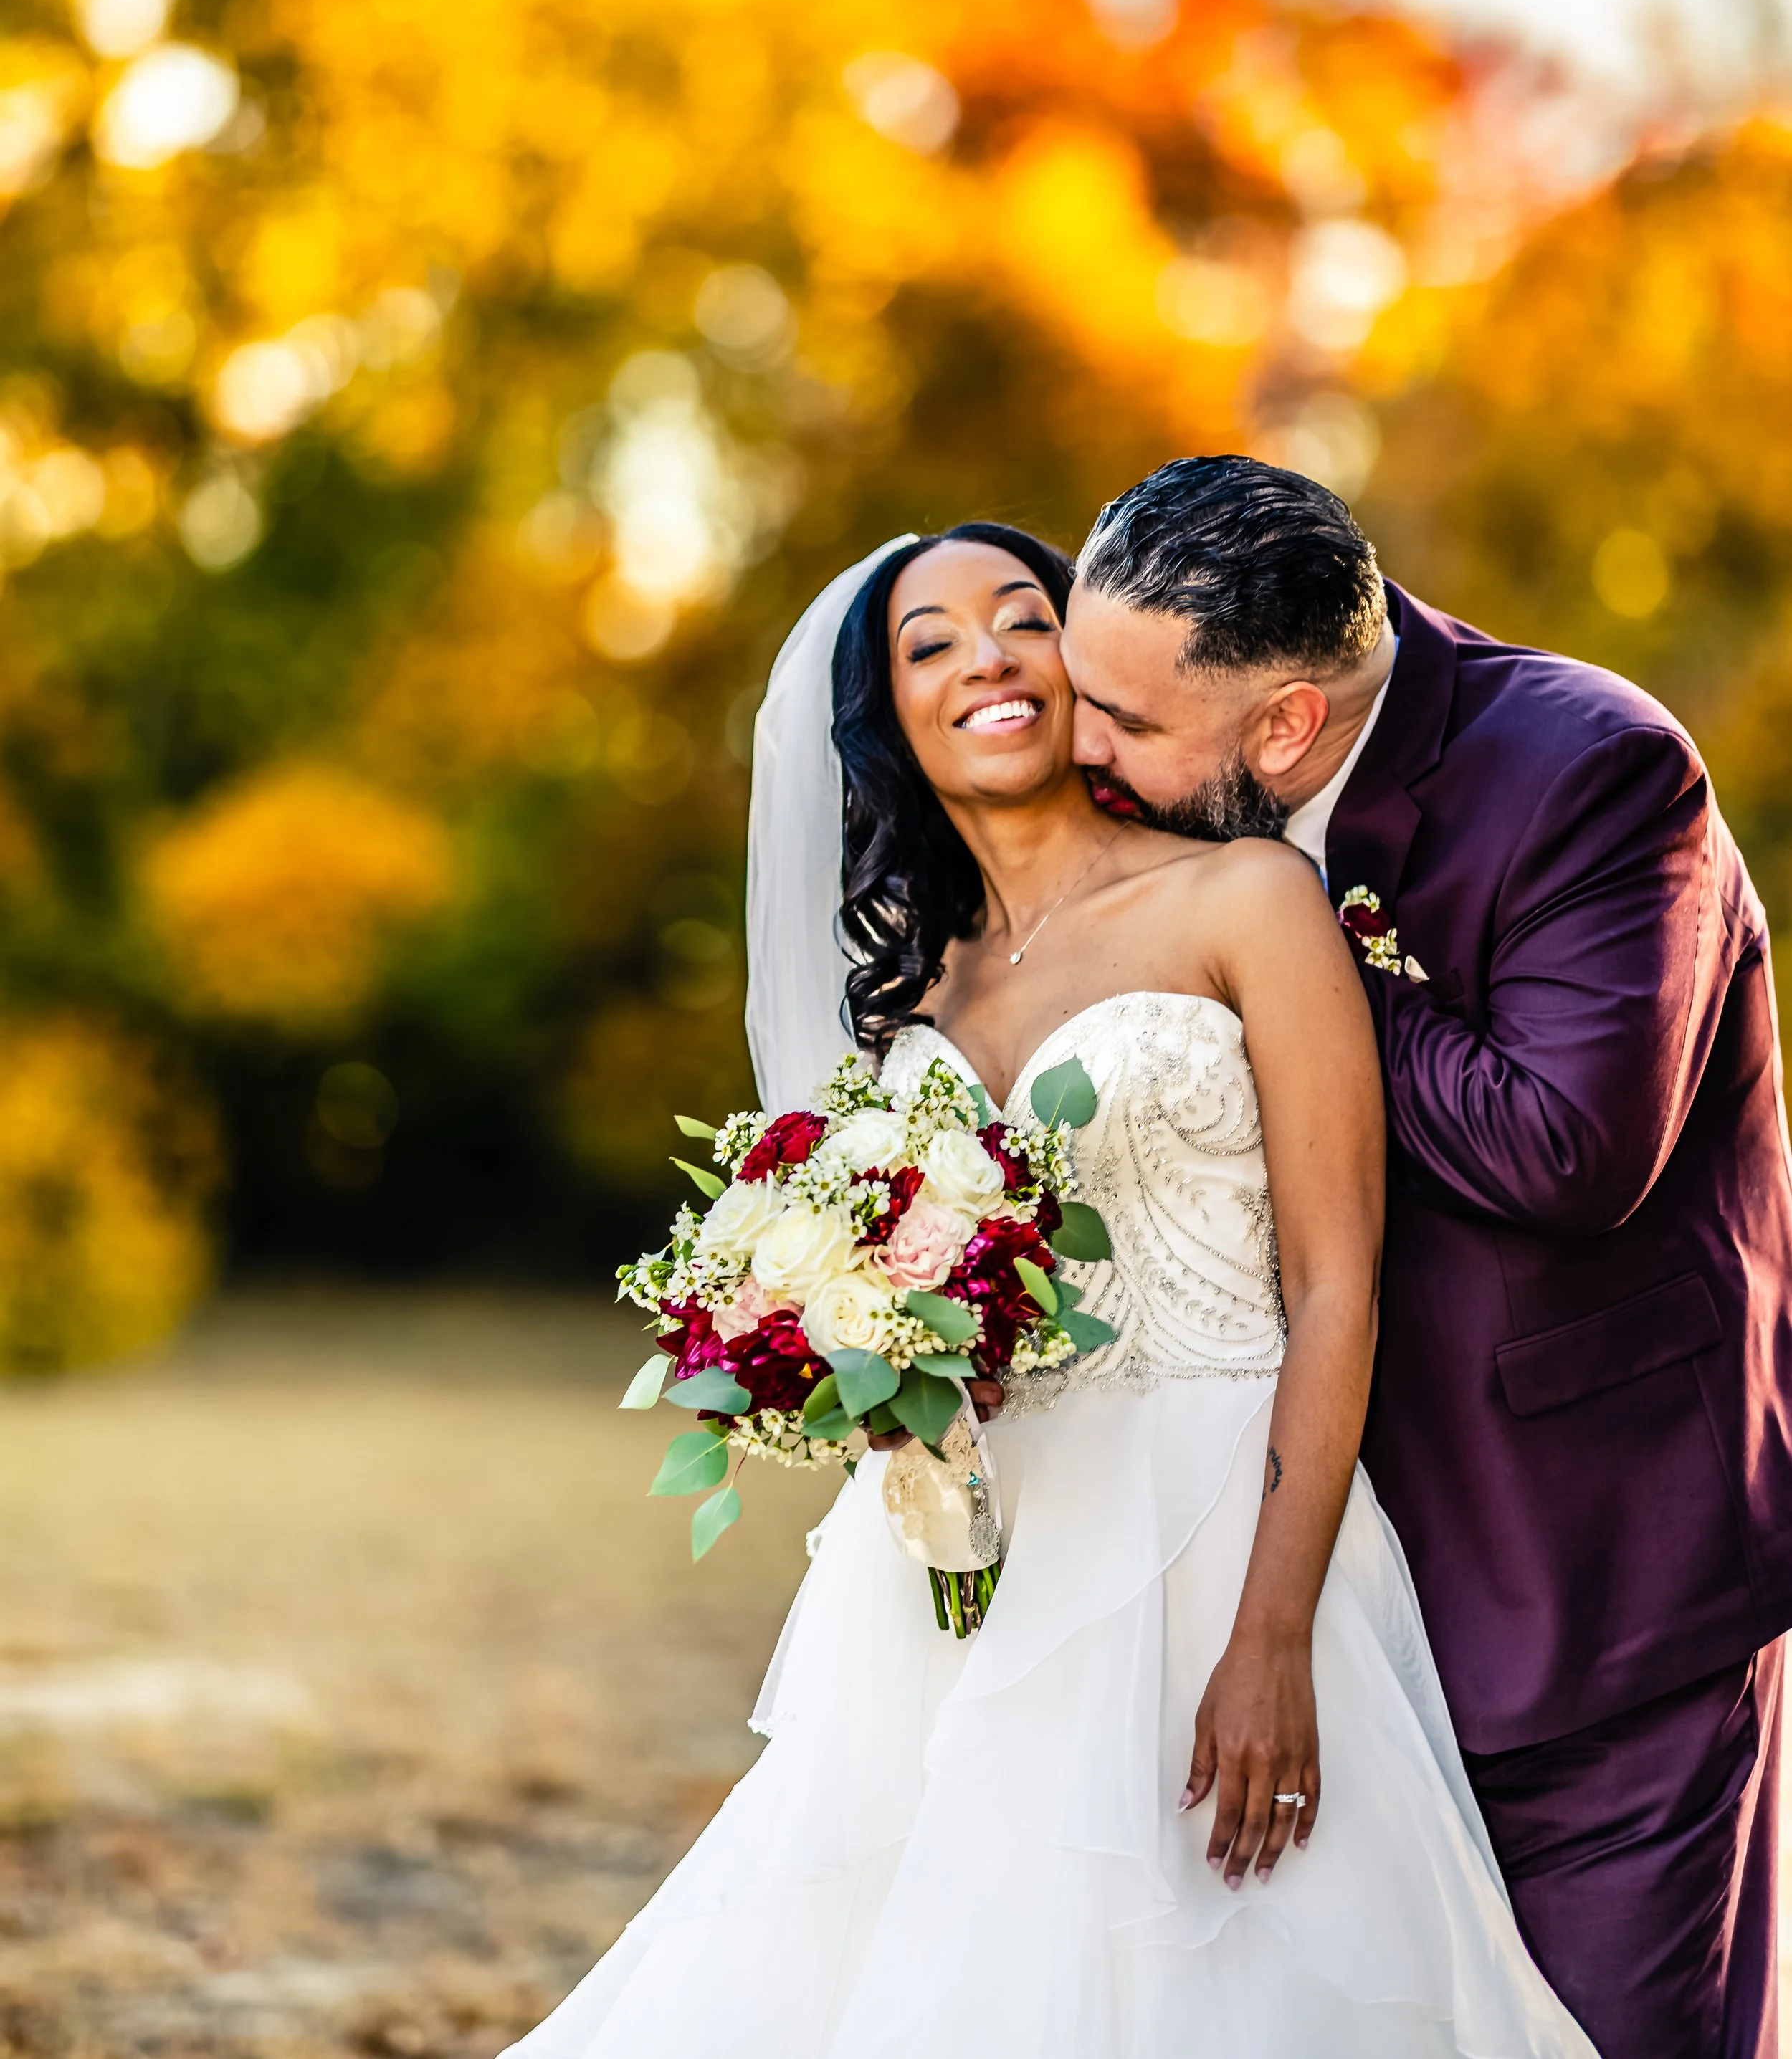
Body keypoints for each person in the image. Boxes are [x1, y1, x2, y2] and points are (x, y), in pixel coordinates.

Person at [501, 522, 1594, 2059]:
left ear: (1080, 660)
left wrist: (1270, 1633)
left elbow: (1338, 1283)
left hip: (1226, 1518)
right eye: (928, 644)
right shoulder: (916, 987)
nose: (986, 660)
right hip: (975, 1555)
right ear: (885, 716)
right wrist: (841, 1362)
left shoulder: (1246, 900)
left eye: (1021, 619)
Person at [1062, 454, 1792, 2059]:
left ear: (1282, 730)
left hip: (1590, 1589)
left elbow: (1565, 1149)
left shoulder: (1591, 770)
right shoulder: (1147, 814)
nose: (1080, 747)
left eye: (1121, 723)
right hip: (1318, 1588)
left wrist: (1291, 964)